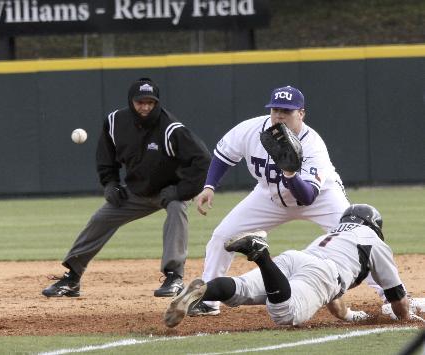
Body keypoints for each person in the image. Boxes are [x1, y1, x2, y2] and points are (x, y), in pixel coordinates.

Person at [42, 77, 211, 298]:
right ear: (131, 101)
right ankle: (72, 277)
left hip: (168, 191)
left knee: (177, 210)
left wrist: (181, 191)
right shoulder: (115, 122)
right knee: (100, 219)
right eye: (140, 102)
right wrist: (111, 183)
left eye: (150, 102)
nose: (145, 107)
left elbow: (203, 159)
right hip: (136, 191)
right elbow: (106, 157)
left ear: (157, 103)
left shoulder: (171, 128)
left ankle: (174, 277)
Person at [192, 85, 350, 315]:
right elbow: (223, 154)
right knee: (222, 236)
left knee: (355, 236)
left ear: (301, 114)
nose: (279, 115)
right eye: (276, 109)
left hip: (321, 198)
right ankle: (208, 300)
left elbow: (307, 196)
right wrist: (209, 186)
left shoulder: (313, 144)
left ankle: (392, 295)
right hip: (269, 196)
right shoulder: (251, 129)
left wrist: (290, 174)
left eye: (287, 111)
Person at [165, 204, 424, 328]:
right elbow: (397, 297)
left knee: (241, 288)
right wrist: (406, 318)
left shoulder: (331, 235)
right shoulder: (373, 242)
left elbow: (331, 297)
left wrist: (351, 316)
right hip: (321, 274)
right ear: (375, 226)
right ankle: (261, 254)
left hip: (296, 260)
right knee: (286, 315)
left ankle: (203, 291)